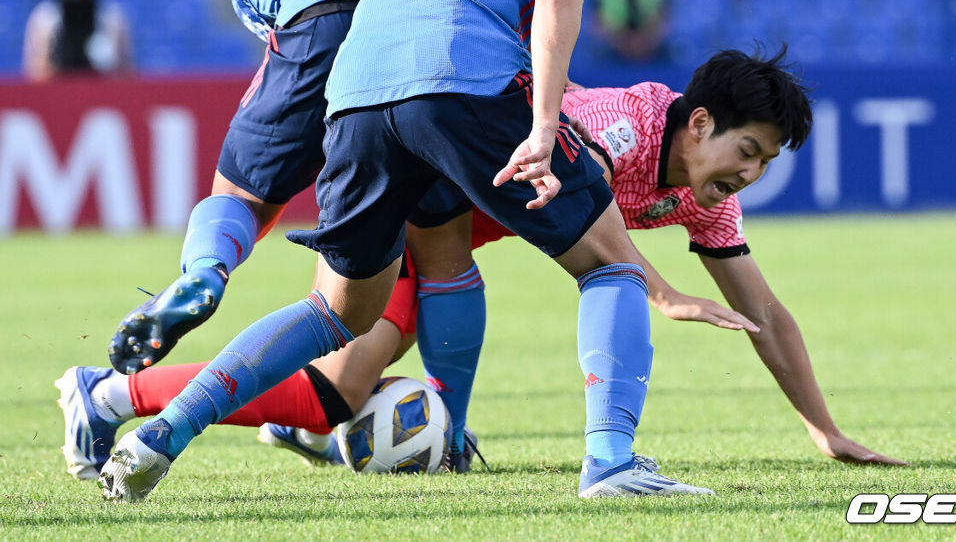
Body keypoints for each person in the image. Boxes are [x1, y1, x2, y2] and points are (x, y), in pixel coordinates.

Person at [96, 0, 725, 502]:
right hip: (461, 71)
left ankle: (163, 433)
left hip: (354, 88)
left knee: (338, 310)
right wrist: (543, 118)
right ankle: (613, 465)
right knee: (611, 264)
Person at [60, 49, 903, 480]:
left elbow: (769, 316)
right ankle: (106, 393)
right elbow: (600, 235)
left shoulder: (702, 194)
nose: (747, 175)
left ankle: (318, 427)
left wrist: (821, 428)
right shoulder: (621, 125)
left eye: (763, 166)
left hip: (447, 243)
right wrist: (664, 291)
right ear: (699, 122)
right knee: (333, 385)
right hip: (421, 210)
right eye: (746, 151)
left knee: (332, 390)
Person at [103, 0, 423, 378]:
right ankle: (449, 401)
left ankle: (206, 270)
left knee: (237, 196)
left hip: (308, 27)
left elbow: (286, 44)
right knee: (433, 253)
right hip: (403, 37)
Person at [22, 0, 132, 81]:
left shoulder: (111, 17)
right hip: (55, 92)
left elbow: (126, 72)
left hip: (103, 92)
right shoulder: (44, 18)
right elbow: (33, 73)